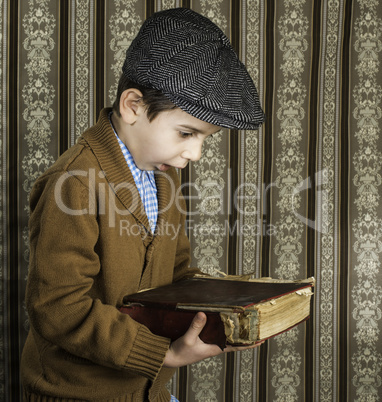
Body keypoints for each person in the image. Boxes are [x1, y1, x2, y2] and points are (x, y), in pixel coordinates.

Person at [20, 7, 265, 402]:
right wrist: (164, 353)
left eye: (205, 138)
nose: (196, 153)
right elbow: (57, 305)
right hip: (77, 393)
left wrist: (222, 315)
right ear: (133, 105)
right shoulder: (74, 183)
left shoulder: (164, 174)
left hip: (145, 390)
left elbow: (176, 274)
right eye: (187, 132)